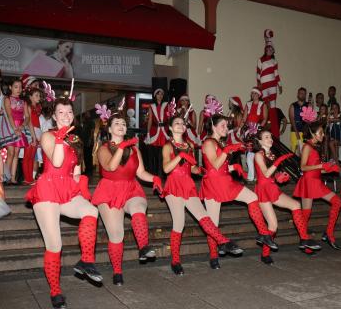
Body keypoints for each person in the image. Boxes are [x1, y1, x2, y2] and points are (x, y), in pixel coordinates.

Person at [25, 96, 102, 309]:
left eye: (69, 112)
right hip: (48, 189)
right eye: (61, 112)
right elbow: (57, 162)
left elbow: (76, 172)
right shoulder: (48, 136)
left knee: (91, 212)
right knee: (55, 245)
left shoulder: (75, 140)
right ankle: (55, 290)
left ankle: (86, 260)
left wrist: (82, 188)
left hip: (67, 189)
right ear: (54, 115)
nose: (66, 116)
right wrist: (60, 138)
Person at [91, 104, 162, 285]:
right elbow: (111, 167)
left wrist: (155, 179)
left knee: (138, 208)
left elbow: (141, 173)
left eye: (123, 123)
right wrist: (122, 147)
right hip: (109, 190)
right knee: (116, 235)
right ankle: (117, 271)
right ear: (109, 128)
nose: (121, 126)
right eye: (117, 123)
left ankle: (144, 247)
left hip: (131, 188)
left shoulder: (134, 149)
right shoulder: (103, 148)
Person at [162, 115, 243, 274]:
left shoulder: (190, 145)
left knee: (203, 217)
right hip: (174, 186)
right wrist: (180, 156)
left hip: (188, 185)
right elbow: (166, 169)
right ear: (170, 128)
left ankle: (222, 242)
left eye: (182, 123)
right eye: (176, 123)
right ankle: (175, 261)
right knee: (179, 224)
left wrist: (199, 170)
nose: (180, 125)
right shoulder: (168, 146)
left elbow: (191, 167)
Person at [200, 113, 277, 269]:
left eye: (226, 126)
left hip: (226, 181)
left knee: (252, 197)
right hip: (213, 185)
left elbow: (221, 166)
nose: (226, 128)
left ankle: (263, 233)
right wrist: (228, 149)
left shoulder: (220, 143)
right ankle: (214, 256)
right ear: (213, 126)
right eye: (222, 125)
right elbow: (214, 165)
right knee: (213, 225)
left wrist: (234, 167)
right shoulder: (208, 142)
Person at [254, 130, 320, 264]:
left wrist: (279, 177)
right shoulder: (258, 155)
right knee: (273, 225)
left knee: (296, 205)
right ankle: (265, 254)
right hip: (263, 191)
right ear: (259, 141)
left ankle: (304, 239)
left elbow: (272, 175)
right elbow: (266, 174)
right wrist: (278, 162)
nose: (270, 139)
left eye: (270, 136)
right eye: (266, 137)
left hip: (272, 188)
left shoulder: (271, 154)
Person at [293, 118, 341, 250]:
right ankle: (304, 241)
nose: (323, 135)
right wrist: (321, 165)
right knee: (306, 214)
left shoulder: (315, 147)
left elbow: (316, 169)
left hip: (316, 181)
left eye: (323, 132)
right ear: (313, 133)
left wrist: (328, 169)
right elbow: (303, 167)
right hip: (308, 183)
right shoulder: (307, 147)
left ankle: (328, 233)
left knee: (337, 202)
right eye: (321, 132)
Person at [1, 79, 33, 184]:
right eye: (16, 87)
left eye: (20, 87)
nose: (18, 89)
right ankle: (5, 177)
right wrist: (14, 128)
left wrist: (22, 126)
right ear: (10, 87)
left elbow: (27, 117)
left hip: (20, 127)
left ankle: (13, 178)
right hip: (9, 127)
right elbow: (9, 115)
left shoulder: (23, 101)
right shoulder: (7, 99)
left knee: (16, 153)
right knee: (10, 152)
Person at [257, 29, 282, 138]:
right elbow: (258, 72)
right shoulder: (260, 60)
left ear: (273, 51)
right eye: (268, 48)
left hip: (272, 85)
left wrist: (279, 85)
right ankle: (265, 131)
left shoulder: (274, 61)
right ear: (266, 49)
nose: (270, 50)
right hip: (264, 85)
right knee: (266, 107)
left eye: (272, 49)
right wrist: (258, 84)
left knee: (273, 108)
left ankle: (275, 133)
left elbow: (276, 74)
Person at [244, 87, 268, 182]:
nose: (253, 95)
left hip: (258, 132)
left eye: (255, 93)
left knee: (258, 154)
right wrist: (242, 129)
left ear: (259, 95)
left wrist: (258, 129)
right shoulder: (248, 104)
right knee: (249, 154)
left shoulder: (263, 105)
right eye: (252, 93)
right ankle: (251, 176)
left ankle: (260, 175)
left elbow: (265, 118)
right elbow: (244, 118)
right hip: (249, 132)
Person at [145, 88, 169, 177]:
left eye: (161, 94)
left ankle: (162, 174)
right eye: (158, 94)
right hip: (154, 131)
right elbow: (150, 120)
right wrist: (148, 133)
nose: (160, 96)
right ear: (155, 95)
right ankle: (153, 174)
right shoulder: (151, 106)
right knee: (153, 154)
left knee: (162, 155)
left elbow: (169, 117)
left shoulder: (167, 105)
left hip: (164, 132)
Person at [23, 87, 43, 184]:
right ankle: (27, 178)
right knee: (28, 156)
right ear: (30, 97)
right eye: (36, 95)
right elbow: (29, 121)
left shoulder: (37, 107)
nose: (39, 97)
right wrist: (33, 135)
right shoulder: (28, 106)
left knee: (32, 157)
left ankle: (30, 178)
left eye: (39, 95)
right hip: (31, 131)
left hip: (37, 131)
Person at [288, 87, 308, 154]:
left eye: (304, 94)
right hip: (294, 131)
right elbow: (291, 119)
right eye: (301, 93)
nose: (302, 95)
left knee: (303, 152)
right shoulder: (293, 105)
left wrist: (306, 131)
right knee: (293, 150)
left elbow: (309, 119)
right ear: (297, 94)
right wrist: (296, 132)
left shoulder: (308, 105)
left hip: (305, 132)